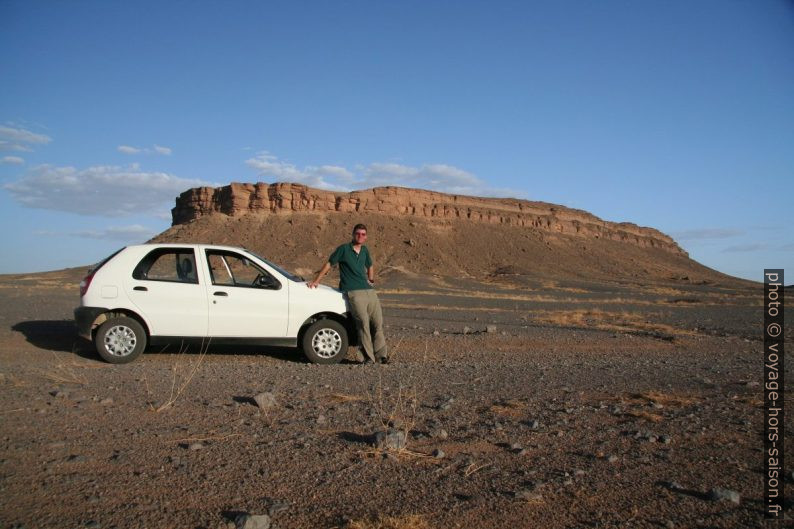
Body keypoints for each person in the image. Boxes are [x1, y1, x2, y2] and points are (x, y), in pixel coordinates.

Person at [308, 224, 388, 364]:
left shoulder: (364, 250)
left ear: (366, 236)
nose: (360, 236)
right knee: (363, 324)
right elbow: (329, 264)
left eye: (363, 234)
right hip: (354, 292)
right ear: (352, 234)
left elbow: (370, 265)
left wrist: (371, 279)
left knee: (377, 323)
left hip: (369, 291)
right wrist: (316, 281)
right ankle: (368, 357)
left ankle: (381, 355)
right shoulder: (343, 249)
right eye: (358, 233)